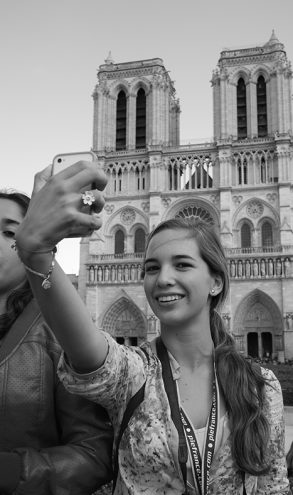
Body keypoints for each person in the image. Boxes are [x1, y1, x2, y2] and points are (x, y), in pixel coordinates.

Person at [14, 161, 290, 494]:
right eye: (151, 268)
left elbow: (274, 486)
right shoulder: (132, 374)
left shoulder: (263, 389)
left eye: (183, 264)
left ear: (216, 281)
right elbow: (84, 345)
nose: (163, 279)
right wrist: (36, 250)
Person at [0, 189, 113, 494]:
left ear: (33, 245)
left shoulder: (60, 332)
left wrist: (13, 471)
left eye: (9, 231)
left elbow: (95, 453)